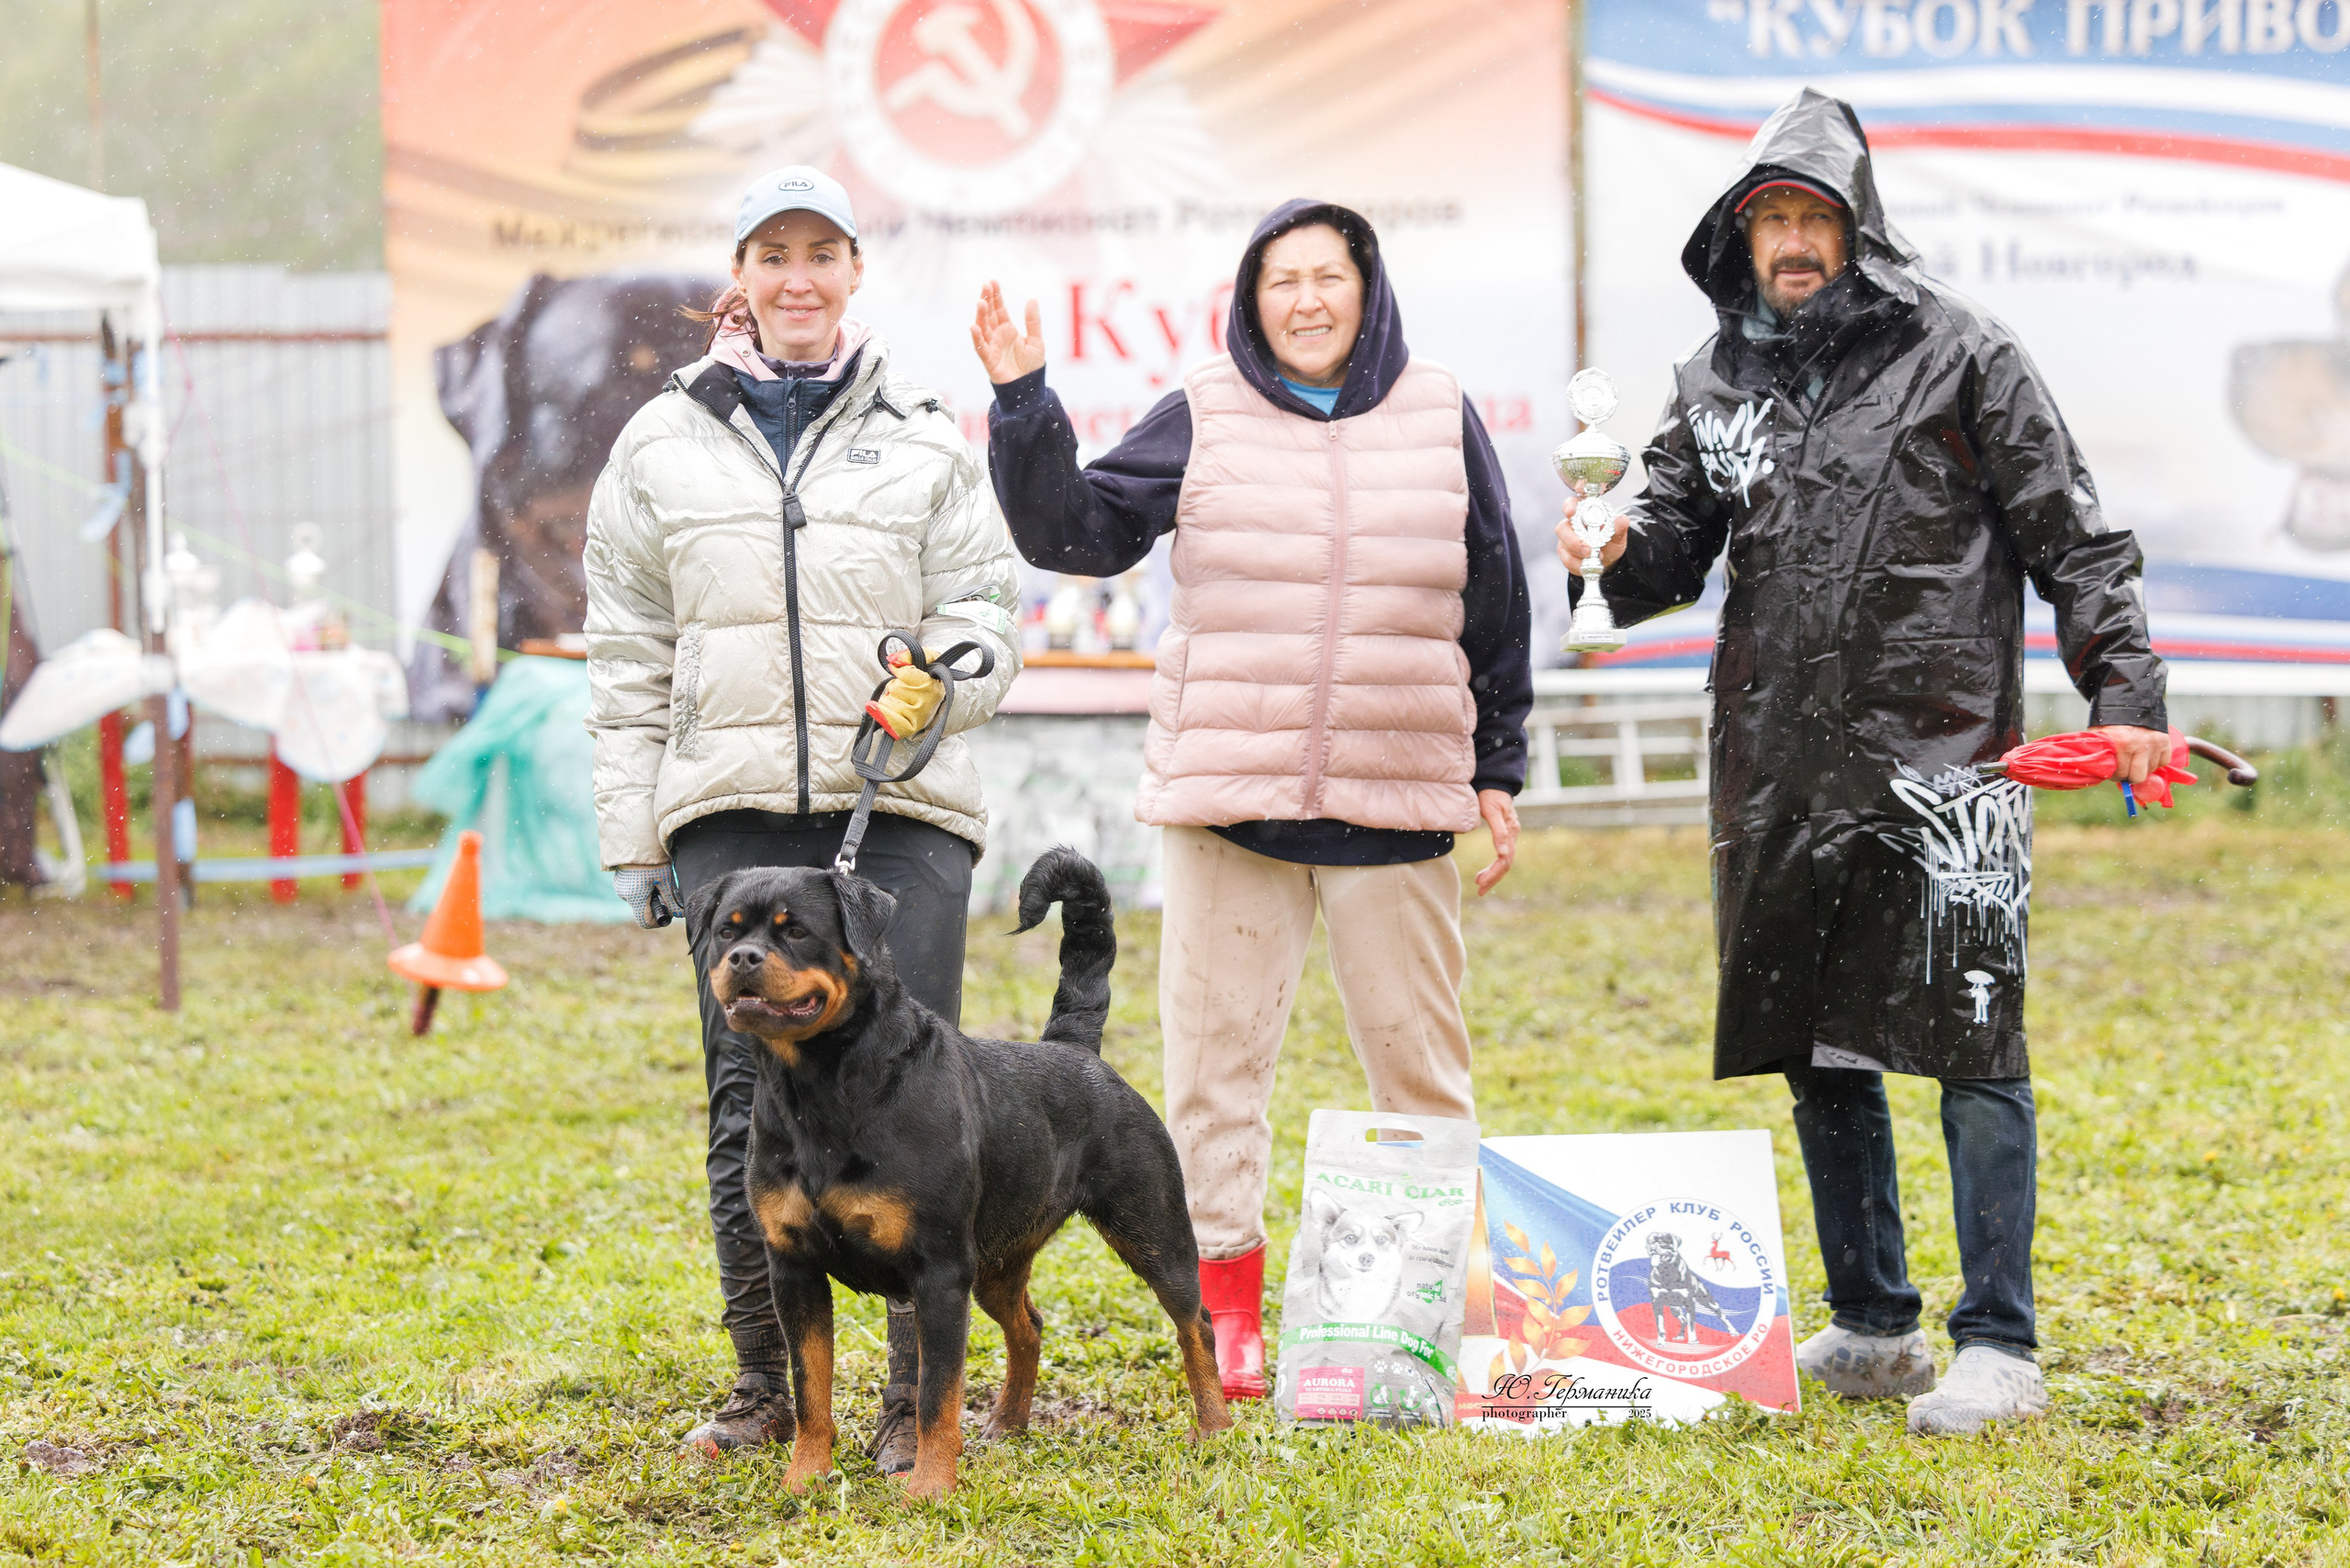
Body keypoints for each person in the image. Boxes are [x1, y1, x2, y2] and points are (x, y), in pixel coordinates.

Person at [1558, 90, 2168, 1436]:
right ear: (1738, 236)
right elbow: (1670, 552)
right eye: (1767, 217)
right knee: (1814, 1036)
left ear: (1856, 227)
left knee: (1973, 1036)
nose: (1790, 240)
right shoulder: (1717, 380)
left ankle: (1999, 1344)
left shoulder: (1963, 352)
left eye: (1811, 215)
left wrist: (2124, 692)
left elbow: (2073, 536)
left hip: (1949, 763)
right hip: (1777, 765)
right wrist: (1611, 551)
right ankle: (1877, 1321)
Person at [972, 199, 1533, 1400]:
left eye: (1329, 276)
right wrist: (1024, 402)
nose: (1307, 300)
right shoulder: (1205, 409)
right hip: (1230, 808)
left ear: (1368, 289)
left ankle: (1442, 1305)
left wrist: (1498, 764)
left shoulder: (1439, 409)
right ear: (1251, 297)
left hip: (1396, 802)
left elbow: (1493, 594)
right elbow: (1076, 536)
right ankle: (1225, 1312)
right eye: (1283, 280)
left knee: (1421, 1070)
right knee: (1215, 1073)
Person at [584, 165, 1022, 1466]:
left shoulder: (925, 433)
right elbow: (627, 651)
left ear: (853, 272)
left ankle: (909, 1404)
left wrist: (940, 683)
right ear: (740, 274)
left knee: (920, 1109)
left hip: (900, 810)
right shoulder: (656, 441)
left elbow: (987, 611)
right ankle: (766, 1388)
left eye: (821, 254)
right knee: (748, 1113)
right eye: (772, 255)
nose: (797, 279)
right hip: (726, 816)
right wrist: (636, 834)